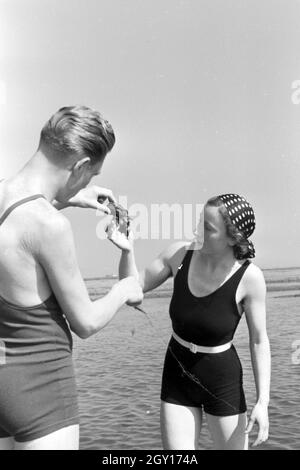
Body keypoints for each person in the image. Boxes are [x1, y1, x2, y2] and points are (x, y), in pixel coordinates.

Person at [0, 105, 143, 450]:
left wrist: (72, 196)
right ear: (80, 166)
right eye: (91, 174)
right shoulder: (50, 226)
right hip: (42, 391)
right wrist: (124, 288)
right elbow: (85, 322)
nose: (90, 181)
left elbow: (19, 223)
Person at [107, 193, 271, 450]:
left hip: (222, 379)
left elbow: (259, 341)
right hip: (177, 373)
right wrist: (127, 250)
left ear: (233, 238)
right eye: (199, 222)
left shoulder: (250, 278)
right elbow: (133, 291)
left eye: (208, 228)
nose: (197, 231)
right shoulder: (179, 254)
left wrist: (262, 401)